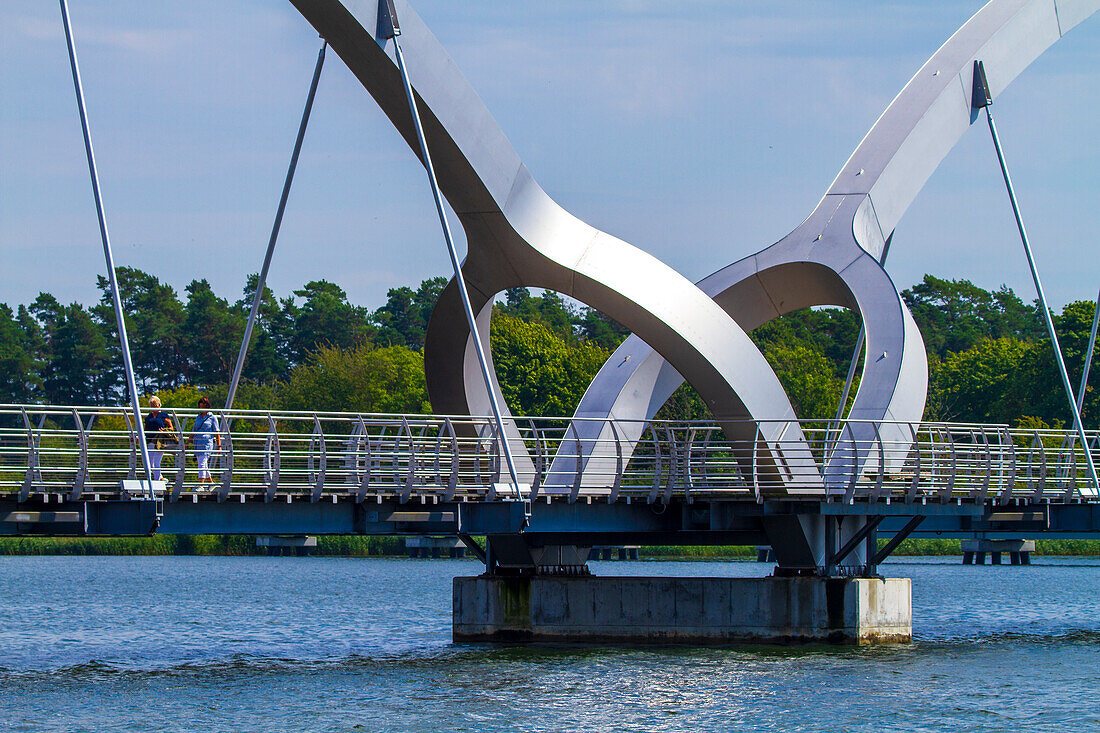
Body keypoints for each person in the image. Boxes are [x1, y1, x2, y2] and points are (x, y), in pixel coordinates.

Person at [191, 397, 222, 487]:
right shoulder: (198, 417)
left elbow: (217, 432)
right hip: (197, 443)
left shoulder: (212, 418)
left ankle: (201, 484)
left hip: (206, 443)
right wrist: (187, 442)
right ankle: (211, 483)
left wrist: (219, 445)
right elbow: (194, 430)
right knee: (203, 463)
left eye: (203, 407)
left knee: (202, 462)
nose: (201, 409)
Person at [143, 396, 173, 481]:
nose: (153, 407)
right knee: (149, 463)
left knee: (156, 462)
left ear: (159, 405)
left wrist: (164, 430)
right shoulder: (149, 416)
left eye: (155, 405)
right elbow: (145, 428)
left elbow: (171, 427)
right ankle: (161, 478)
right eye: (152, 405)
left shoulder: (163, 415)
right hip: (150, 441)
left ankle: (156, 480)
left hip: (160, 441)